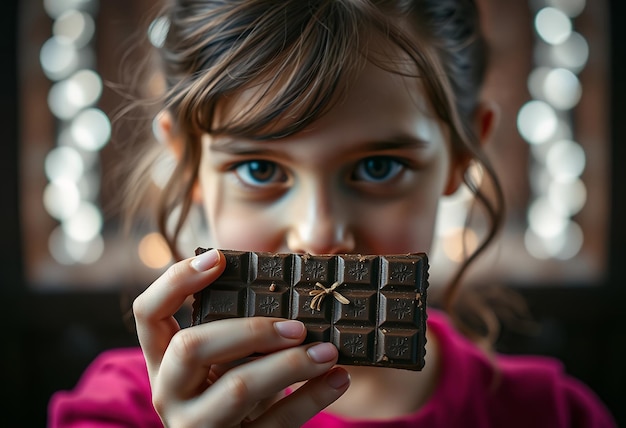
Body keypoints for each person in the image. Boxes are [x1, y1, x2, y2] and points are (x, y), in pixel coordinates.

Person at [49, 0, 616, 426]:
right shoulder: (115, 413)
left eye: (377, 168)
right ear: (190, 165)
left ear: (461, 157)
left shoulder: (553, 414)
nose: (319, 234)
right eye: (260, 170)